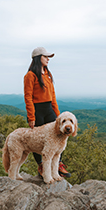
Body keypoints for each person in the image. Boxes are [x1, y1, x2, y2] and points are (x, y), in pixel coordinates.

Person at [23, 47, 71, 178]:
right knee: (36, 139)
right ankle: (41, 165)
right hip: (37, 110)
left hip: (49, 110)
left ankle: (58, 163)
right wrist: (31, 116)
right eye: (45, 57)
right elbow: (28, 97)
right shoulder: (30, 76)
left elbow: (53, 97)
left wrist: (58, 115)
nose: (48, 59)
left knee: (59, 136)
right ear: (38, 58)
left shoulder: (48, 75)